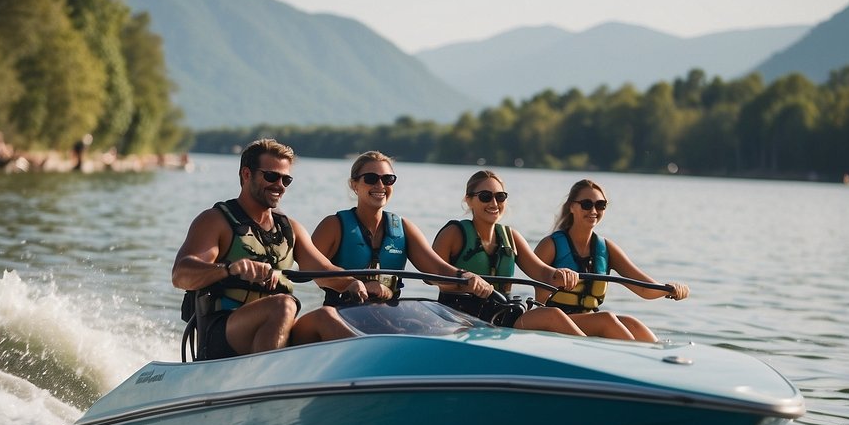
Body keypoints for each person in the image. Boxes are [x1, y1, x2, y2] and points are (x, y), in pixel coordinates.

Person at [172, 138, 367, 360]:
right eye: (272, 176)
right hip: (224, 332)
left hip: (277, 327)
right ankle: (263, 384)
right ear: (247, 175)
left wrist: (351, 282)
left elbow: (324, 270)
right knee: (283, 304)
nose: (280, 185)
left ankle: (376, 372)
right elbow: (180, 275)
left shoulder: (291, 228)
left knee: (327, 316)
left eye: (287, 180)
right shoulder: (214, 221)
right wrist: (229, 269)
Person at [310, 151, 494, 306]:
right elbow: (312, 270)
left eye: (388, 179)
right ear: (354, 185)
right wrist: (353, 284)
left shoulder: (404, 228)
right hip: (343, 315)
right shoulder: (333, 225)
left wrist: (465, 276)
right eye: (371, 178)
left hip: (389, 318)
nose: (380, 185)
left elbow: (436, 269)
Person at [432, 170, 586, 336]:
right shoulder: (454, 233)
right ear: (469, 200)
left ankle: (588, 357)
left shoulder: (511, 237)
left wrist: (561, 273)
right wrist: (463, 279)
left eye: (500, 197)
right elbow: (430, 275)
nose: (494, 203)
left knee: (553, 314)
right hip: (457, 317)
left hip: (500, 315)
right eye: (485, 196)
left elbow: (542, 272)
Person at [533, 178, 689, 342]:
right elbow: (539, 297)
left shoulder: (606, 249)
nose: (594, 210)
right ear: (572, 207)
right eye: (587, 204)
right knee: (606, 319)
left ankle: (658, 356)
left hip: (589, 320)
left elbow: (644, 288)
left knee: (632, 323)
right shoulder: (550, 245)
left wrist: (670, 289)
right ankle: (633, 362)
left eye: (600, 205)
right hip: (554, 321)